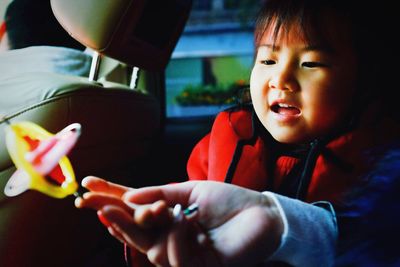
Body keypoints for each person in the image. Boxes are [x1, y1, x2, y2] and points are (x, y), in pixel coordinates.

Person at [75, 0, 400, 266]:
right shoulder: (225, 141)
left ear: (365, 82)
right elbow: (186, 207)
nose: (281, 79)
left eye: (311, 64)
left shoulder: (381, 172)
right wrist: (155, 225)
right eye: (268, 60)